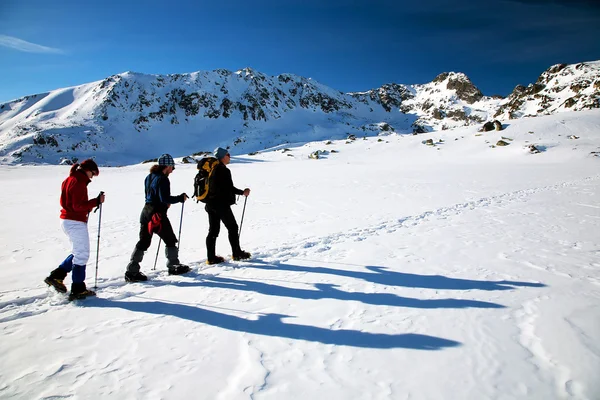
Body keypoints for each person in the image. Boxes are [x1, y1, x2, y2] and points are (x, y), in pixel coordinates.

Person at [44, 159, 106, 301]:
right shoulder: (78, 182)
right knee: (82, 254)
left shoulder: (71, 179)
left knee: (78, 252)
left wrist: (92, 203)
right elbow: (78, 206)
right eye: (93, 174)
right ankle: (78, 288)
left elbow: (73, 203)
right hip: (74, 221)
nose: (92, 177)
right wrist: (96, 202)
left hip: (67, 220)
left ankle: (57, 276)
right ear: (87, 170)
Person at [124, 154, 190, 282]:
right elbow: (164, 198)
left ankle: (132, 270)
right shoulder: (163, 179)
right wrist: (179, 198)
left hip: (146, 212)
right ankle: (173, 265)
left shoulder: (149, 177)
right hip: (157, 215)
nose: (173, 170)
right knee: (170, 239)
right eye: (172, 167)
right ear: (167, 166)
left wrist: (163, 203)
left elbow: (152, 196)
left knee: (143, 241)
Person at [205, 147, 251, 264]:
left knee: (213, 231)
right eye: (228, 154)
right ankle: (236, 253)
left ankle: (211, 258)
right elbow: (229, 188)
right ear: (223, 157)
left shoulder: (212, 169)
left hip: (210, 204)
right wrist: (242, 192)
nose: (229, 156)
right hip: (221, 205)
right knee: (233, 227)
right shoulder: (223, 170)